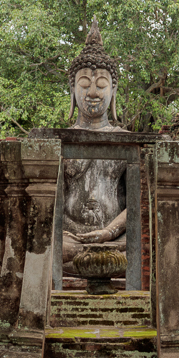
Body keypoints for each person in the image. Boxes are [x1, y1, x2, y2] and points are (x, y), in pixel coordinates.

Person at [62, 19, 129, 267]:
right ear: (72, 89)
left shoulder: (124, 142)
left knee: (145, 243)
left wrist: (109, 231)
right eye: (84, 84)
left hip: (116, 239)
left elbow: (137, 203)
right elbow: (50, 202)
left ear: (113, 89)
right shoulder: (61, 142)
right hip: (69, 238)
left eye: (101, 85)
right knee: (44, 243)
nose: (92, 93)